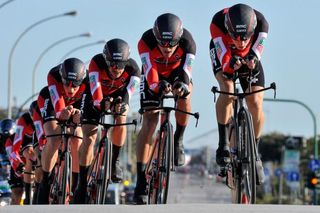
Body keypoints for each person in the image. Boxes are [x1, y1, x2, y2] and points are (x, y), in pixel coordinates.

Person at [134, 13, 196, 204]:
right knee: (150, 121)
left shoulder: (189, 43)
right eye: (162, 43)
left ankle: (178, 140)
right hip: (154, 76)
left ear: (179, 39)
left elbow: (186, 71)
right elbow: (149, 71)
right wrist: (156, 86)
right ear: (156, 37)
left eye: (171, 44)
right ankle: (141, 179)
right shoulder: (145, 41)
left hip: (178, 74)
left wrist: (183, 87)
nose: (167, 48)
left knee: (185, 94)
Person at [75, 38, 140, 204]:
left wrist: (123, 105)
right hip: (94, 97)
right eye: (111, 64)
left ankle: (114, 161)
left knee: (121, 117)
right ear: (106, 60)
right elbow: (96, 92)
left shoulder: (133, 69)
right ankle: (81, 184)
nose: (115, 69)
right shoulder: (96, 63)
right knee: (89, 138)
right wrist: (101, 103)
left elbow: (128, 94)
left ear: (126, 62)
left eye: (120, 65)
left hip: (118, 96)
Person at [209, 3, 269, 184]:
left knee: (256, 103)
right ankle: (223, 144)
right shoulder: (217, 23)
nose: (241, 41)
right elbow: (224, 56)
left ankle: (255, 152)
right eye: (236, 36)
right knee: (227, 90)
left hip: (249, 57)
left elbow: (258, 48)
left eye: (246, 37)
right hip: (225, 55)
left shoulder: (262, 23)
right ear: (229, 29)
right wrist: (229, 63)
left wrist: (253, 57)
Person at [37, 58, 86, 204]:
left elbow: (88, 105)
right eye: (67, 84)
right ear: (62, 78)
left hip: (76, 104)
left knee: (78, 136)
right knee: (54, 137)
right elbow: (58, 104)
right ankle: (45, 182)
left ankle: (77, 183)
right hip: (51, 100)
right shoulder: (53, 74)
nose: (70, 89)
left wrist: (80, 115)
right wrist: (60, 114)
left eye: (75, 85)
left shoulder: (89, 80)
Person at [1, 119, 23, 205]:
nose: (6, 141)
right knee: (15, 193)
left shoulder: (19, 137)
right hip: (5, 173)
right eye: (4, 137)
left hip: (19, 165)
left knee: (20, 192)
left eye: (9, 137)